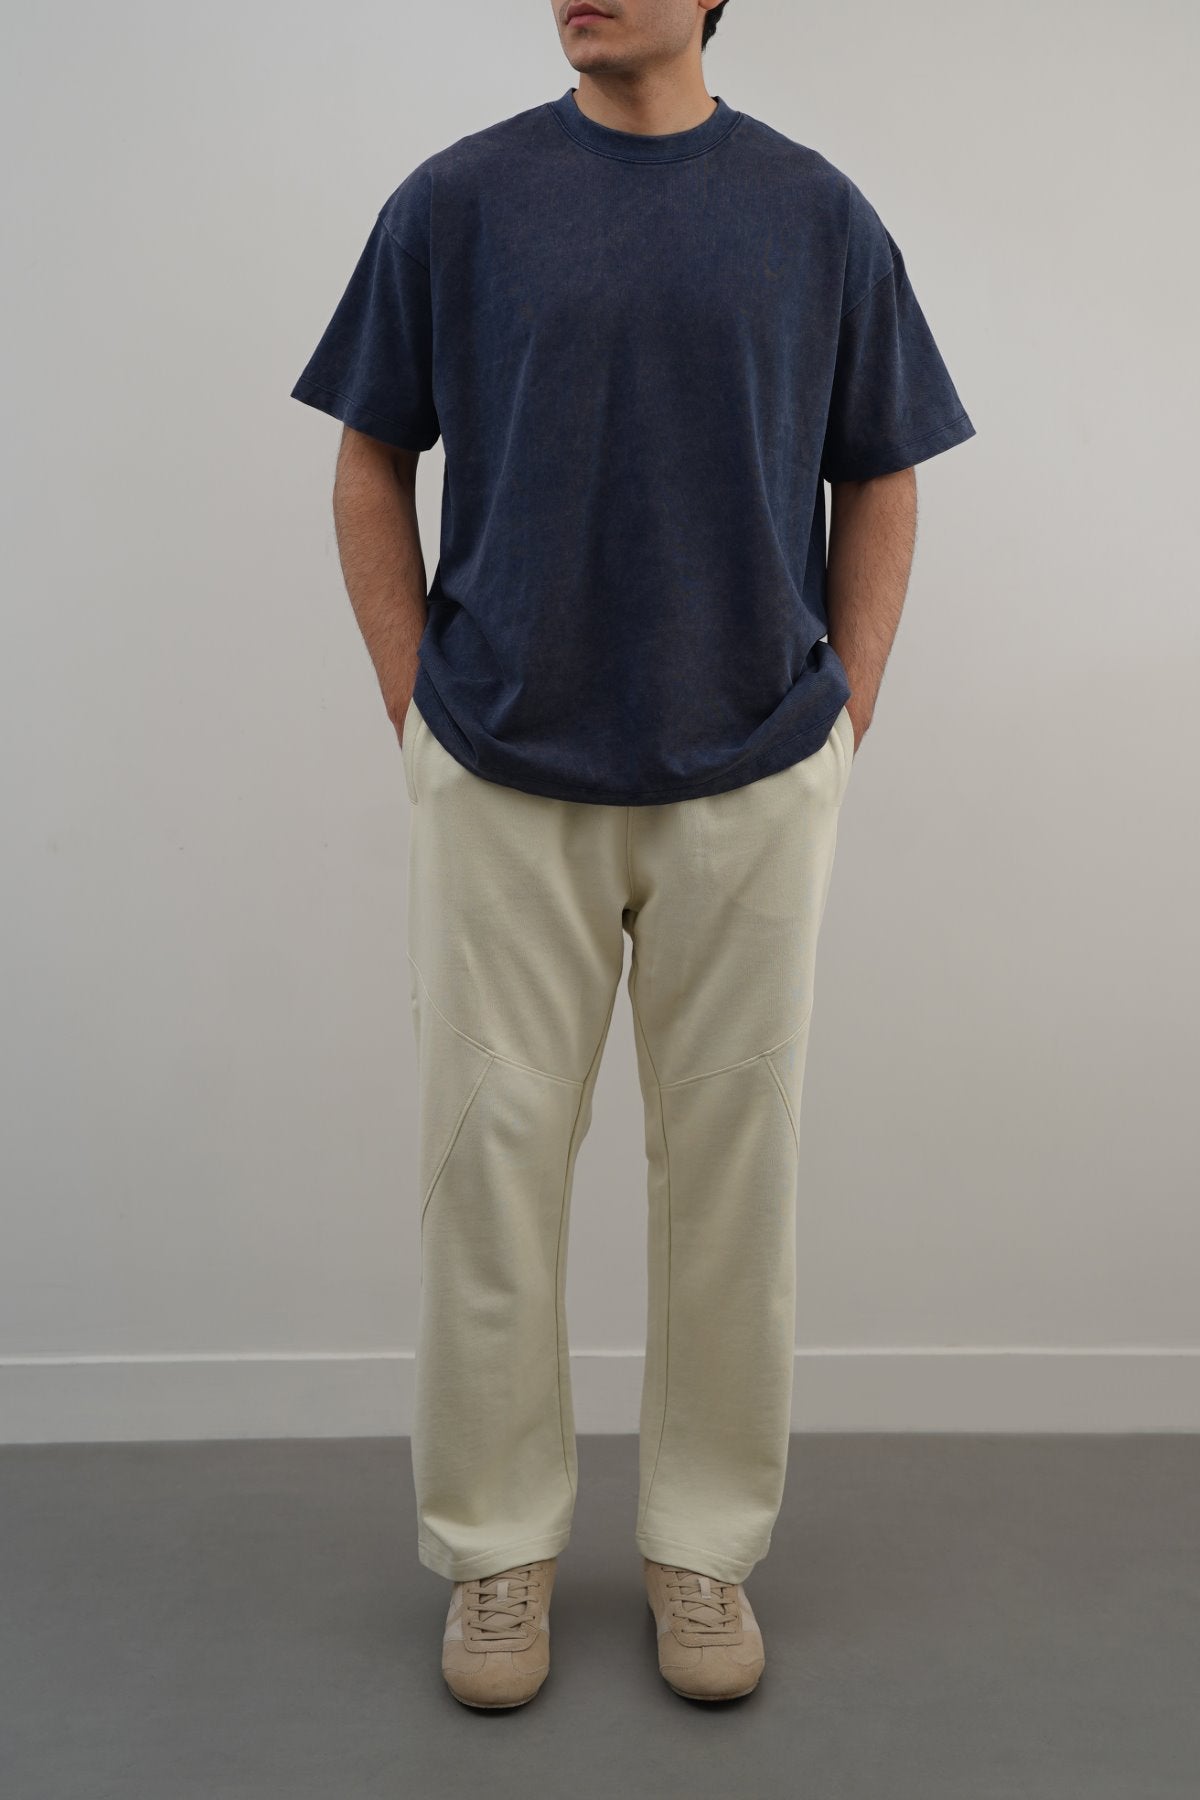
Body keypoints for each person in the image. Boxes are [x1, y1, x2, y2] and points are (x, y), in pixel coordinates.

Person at [290, 0, 975, 1710]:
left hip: (750, 772)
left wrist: (841, 721)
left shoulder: (815, 214)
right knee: (487, 1173)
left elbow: (885, 471)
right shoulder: (458, 201)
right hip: (503, 771)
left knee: (738, 1176)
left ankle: (704, 1550)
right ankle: (497, 1555)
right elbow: (369, 459)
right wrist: (418, 712)